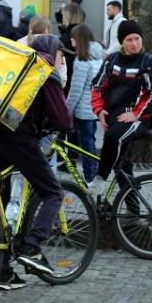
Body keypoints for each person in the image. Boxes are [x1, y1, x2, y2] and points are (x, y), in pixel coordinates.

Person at [0, 34, 72, 289]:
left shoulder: (18, 66)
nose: (62, 61)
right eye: (61, 55)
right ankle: (32, 249)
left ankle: (2, 272)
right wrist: (68, 125)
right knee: (53, 192)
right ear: (51, 52)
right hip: (20, 139)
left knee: (0, 197)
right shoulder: (45, 72)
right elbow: (61, 118)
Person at [85, 20, 152, 197]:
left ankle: (100, 179)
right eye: (129, 40)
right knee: (122, 166)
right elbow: (96, 87)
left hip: (139, 119)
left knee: (112, 138)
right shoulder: (112, 60)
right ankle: (132, 213)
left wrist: (136, 114)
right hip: (114, 117)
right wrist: (99, 110)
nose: (134, 44)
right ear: (121, 42)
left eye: (137, 39)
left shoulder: (148, 63)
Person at [65, 24, 104, 183]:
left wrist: (67, 110)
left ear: (78, 39)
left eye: (73, 38)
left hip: (83, 109)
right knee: (91, 142)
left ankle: (90, 177)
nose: (71, 41)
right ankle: (93, 173)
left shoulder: (82, 60)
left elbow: (76, 90)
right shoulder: (98, 56)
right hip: (94, 107)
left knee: (86, 145)